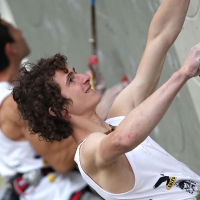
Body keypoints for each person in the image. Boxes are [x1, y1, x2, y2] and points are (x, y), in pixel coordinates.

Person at [12, 0, 200, 199]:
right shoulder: (87, 154)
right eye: (71, 80)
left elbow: (159, 37)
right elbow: (122, 140)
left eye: (75, 73)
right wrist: (183, 73)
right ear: (59, 110)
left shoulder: (119, 116)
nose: (85, 77)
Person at [0, 19, 109, 200]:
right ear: (10, 48)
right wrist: (101, 111)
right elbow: (61, 160)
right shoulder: (12, 106)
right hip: (60, 194)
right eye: (13, 30)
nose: (20, 31)